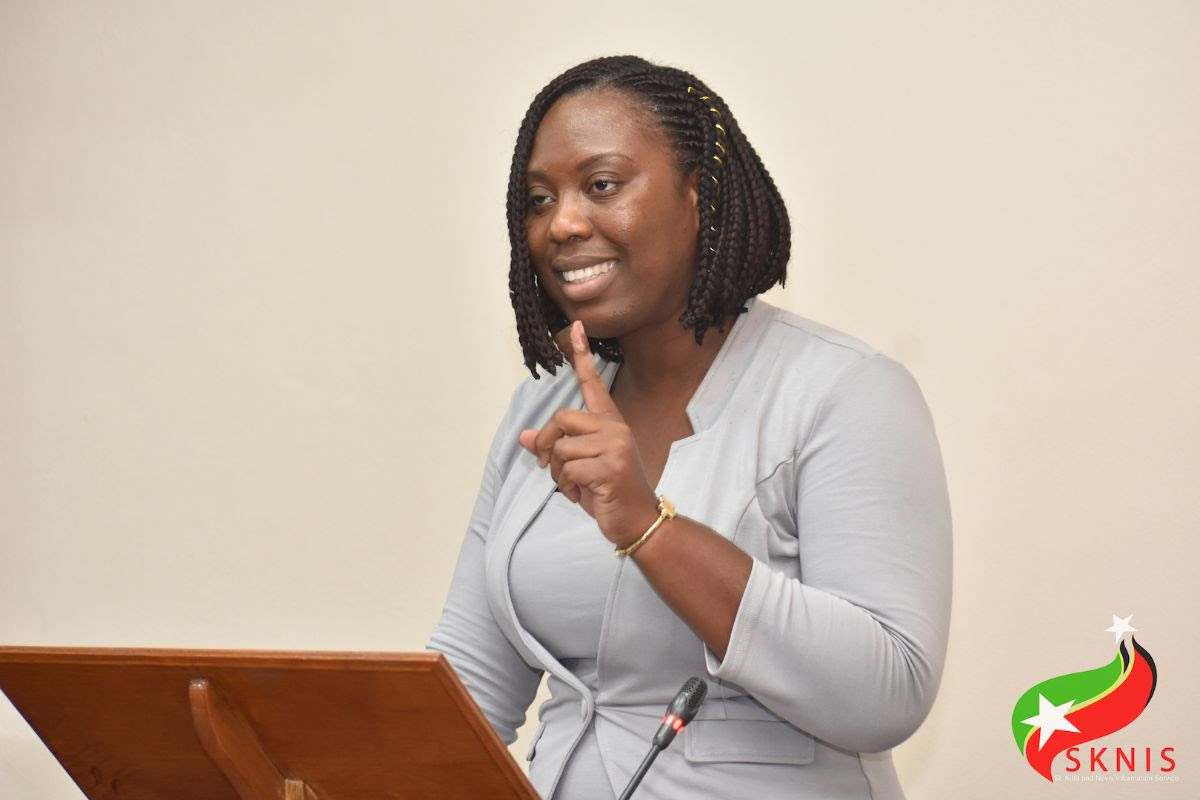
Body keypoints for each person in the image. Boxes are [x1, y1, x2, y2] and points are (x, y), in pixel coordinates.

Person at [427, 55, 952, 800]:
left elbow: (888, 692)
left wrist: (648, 525)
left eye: (601, 185)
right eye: (539, 199)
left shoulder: (843, 390)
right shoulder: (538, 410)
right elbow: (469, 687)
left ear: (699, 196)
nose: (561, 224)